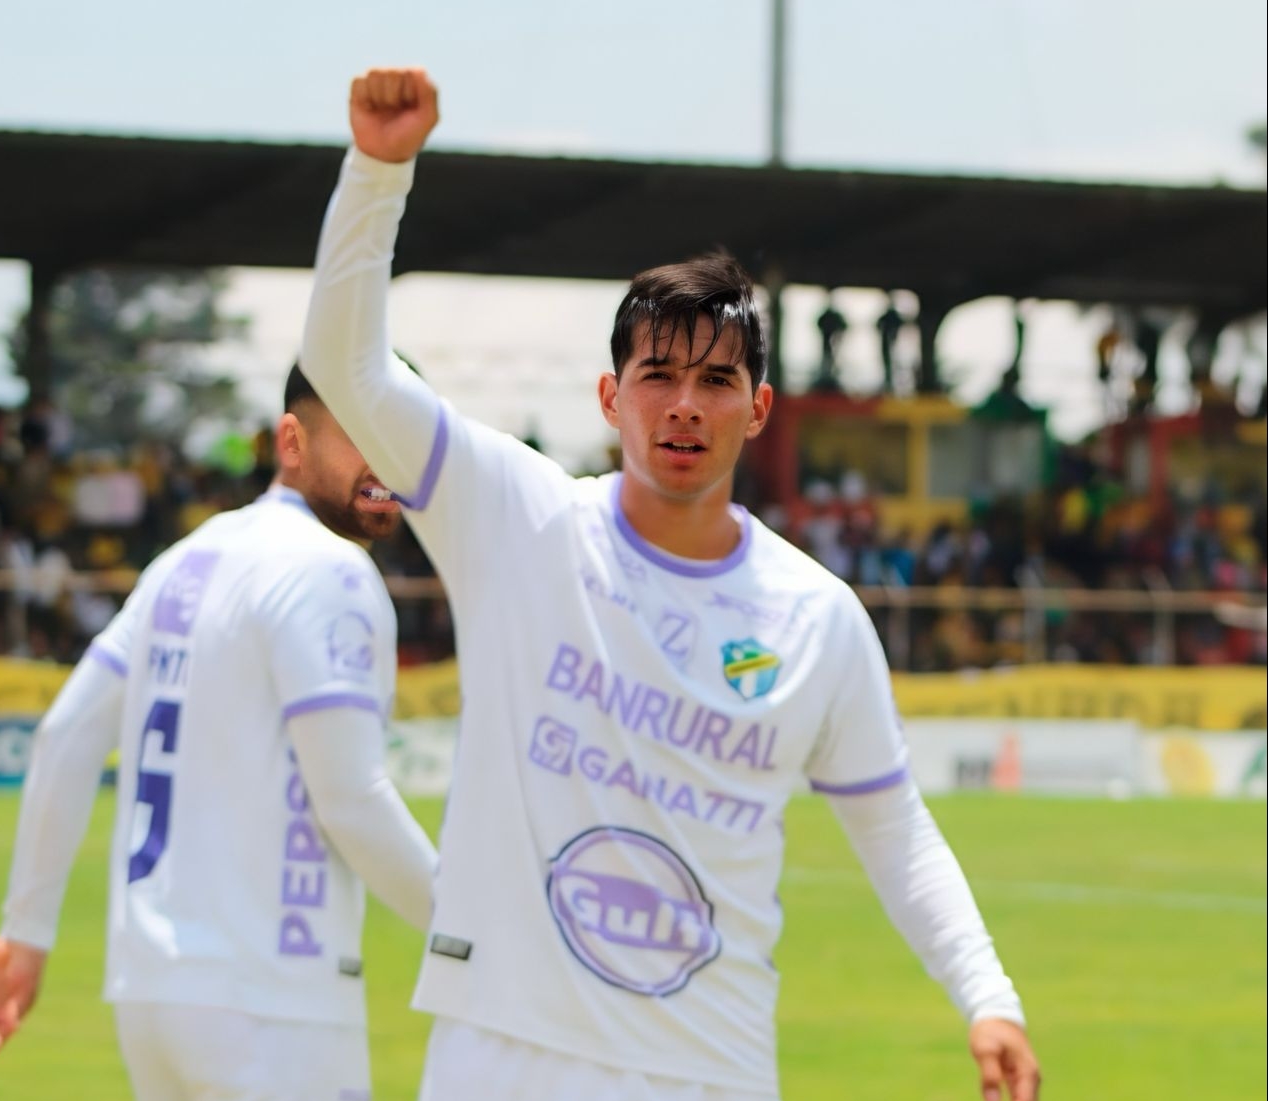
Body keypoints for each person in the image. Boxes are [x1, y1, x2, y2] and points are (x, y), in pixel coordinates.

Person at [299, 66, 1042, 1101]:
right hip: (504, 1054)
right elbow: (347, 367)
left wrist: (985, 992)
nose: (682, 406)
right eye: (657, 376)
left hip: (709, 1069)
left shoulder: (815, 618)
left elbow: (892, 825)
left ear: (758, 408)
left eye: (714, 380)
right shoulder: (514, 517)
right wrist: (378, 172)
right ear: (611, 397)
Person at [0, 364, 439, 1100]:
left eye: (406, 432)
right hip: (275, 997)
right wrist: (477, 934)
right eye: (364, 432)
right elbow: (352, 799)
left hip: (153, 994)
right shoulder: (333, 570)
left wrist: (27, 931)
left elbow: (65, 734)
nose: (389, 460)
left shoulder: (182, 560)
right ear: (291, 441)